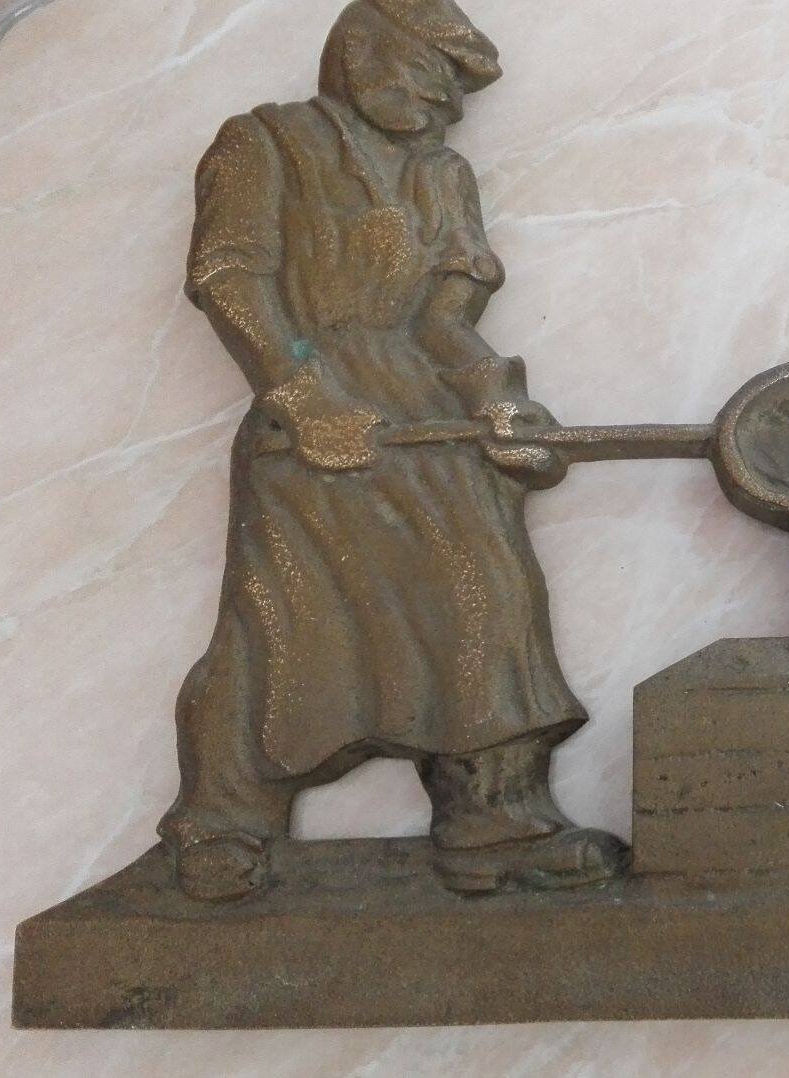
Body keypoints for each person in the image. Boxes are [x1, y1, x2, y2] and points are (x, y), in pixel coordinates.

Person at [161, 0, 624, 901]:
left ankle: (495, 819)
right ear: (362, 49)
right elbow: (230, 275)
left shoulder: (442, 175)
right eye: (431, 75)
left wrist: (497, 400)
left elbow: (446, 320)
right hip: (312, 413)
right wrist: (301, 396)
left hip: (424, 412)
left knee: (487, 593)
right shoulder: (266, 143)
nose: (444, 104)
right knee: (285, 619)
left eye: (455, 90)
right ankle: (225, 824)